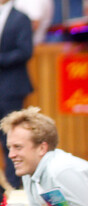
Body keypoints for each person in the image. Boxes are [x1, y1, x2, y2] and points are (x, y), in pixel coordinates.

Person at [0, 0, 33, 190]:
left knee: (10, 140)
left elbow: (25, 51)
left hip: (11, 88)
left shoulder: (20, 18)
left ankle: (12, 188)